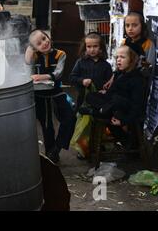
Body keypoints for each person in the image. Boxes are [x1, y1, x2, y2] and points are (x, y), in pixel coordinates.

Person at [25, 30, 76, 163]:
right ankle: (50, 155)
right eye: (39, 43)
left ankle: (57, 147)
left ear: (48, 36)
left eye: (44, 38)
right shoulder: (34, 56)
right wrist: (28, 55)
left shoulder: (60, 54)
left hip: (56, 92)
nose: (44, 42)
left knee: (70, 118)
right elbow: (26, 71)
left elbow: (58, 73)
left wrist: (42, 76)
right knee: (46, 125)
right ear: (34, 47)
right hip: (39, 95)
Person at [82, 43, 145, 148]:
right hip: (112, 107)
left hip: (124, 110)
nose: (118, 60)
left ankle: (96, 111)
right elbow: (111, 92)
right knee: (91, 96)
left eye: (122, 57)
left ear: (132, 60)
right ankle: (102, 110)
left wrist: (124, 121)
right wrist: (104, 94)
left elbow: (136, 105)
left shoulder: (136, 79)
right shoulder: (119, 74)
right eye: (117, 57)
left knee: (116, 100)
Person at [70, 32, 113, 111]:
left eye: (95, 46)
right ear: (85, 47)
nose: (92, 49)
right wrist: (82, 81)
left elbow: (110, 83)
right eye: (89, 46)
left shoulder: (106, 65)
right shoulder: (80, 62)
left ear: (101, 48)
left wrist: (106, 91)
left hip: (99, 100)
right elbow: (72, 77)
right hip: (83, 99)